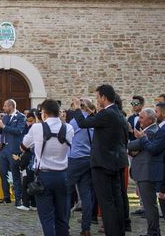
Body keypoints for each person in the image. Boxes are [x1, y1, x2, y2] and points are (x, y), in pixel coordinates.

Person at [72, 84, 129, 236]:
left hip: (103, 163)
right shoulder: (117, 113)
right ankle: (119, 231)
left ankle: (112, 232)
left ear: (104, 97)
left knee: (106, 202)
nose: (97, 100)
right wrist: (91, 112)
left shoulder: (107, 114)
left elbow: (83, 124)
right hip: (116, 162)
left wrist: (77, 108)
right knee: (117, 200)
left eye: (97, 97)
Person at [22, 99, 74, 236]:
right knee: (62, 217)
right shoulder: (68, 128)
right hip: (63, 175)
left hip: (44, 176)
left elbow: (23, 145)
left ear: (43, 113)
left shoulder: (37, 128)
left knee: (47, 218)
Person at [134, 100, 165, 236]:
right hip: (161, 173)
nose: (155, 114)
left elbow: (153, 149)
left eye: (157, 112)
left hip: (161, 174)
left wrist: (142, 138)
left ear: (164, 114)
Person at [127, 107, 161, 236]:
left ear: (151, 119)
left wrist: (136, 144)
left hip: (146, 172)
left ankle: (153, 232)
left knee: (149, 205)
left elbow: (131, 146)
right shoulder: (145, 132)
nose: (139, 120)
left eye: (142, 118)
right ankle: (153, 231)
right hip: (143, 171)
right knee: (149, 205)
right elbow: (134, 149)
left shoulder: (151, 132)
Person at [66, 98, 95, 236]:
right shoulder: (94, 120)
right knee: (86, 194)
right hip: (89, 158)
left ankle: (64, 225)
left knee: (66, 191)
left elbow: (68, 138)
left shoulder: (75, 121)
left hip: (76, 159)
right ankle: (86, 228)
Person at [0, 99, 26, 208]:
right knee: (3, 173)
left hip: (14, 149)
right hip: (3, 148)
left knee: (15, 174)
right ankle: (6, 197)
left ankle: (18, 199)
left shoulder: (21, 117)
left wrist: (3, 126)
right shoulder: (5, 117)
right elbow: (1, 131)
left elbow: (19, 131)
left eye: (5, 106)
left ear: (11, 106)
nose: (3, 108)